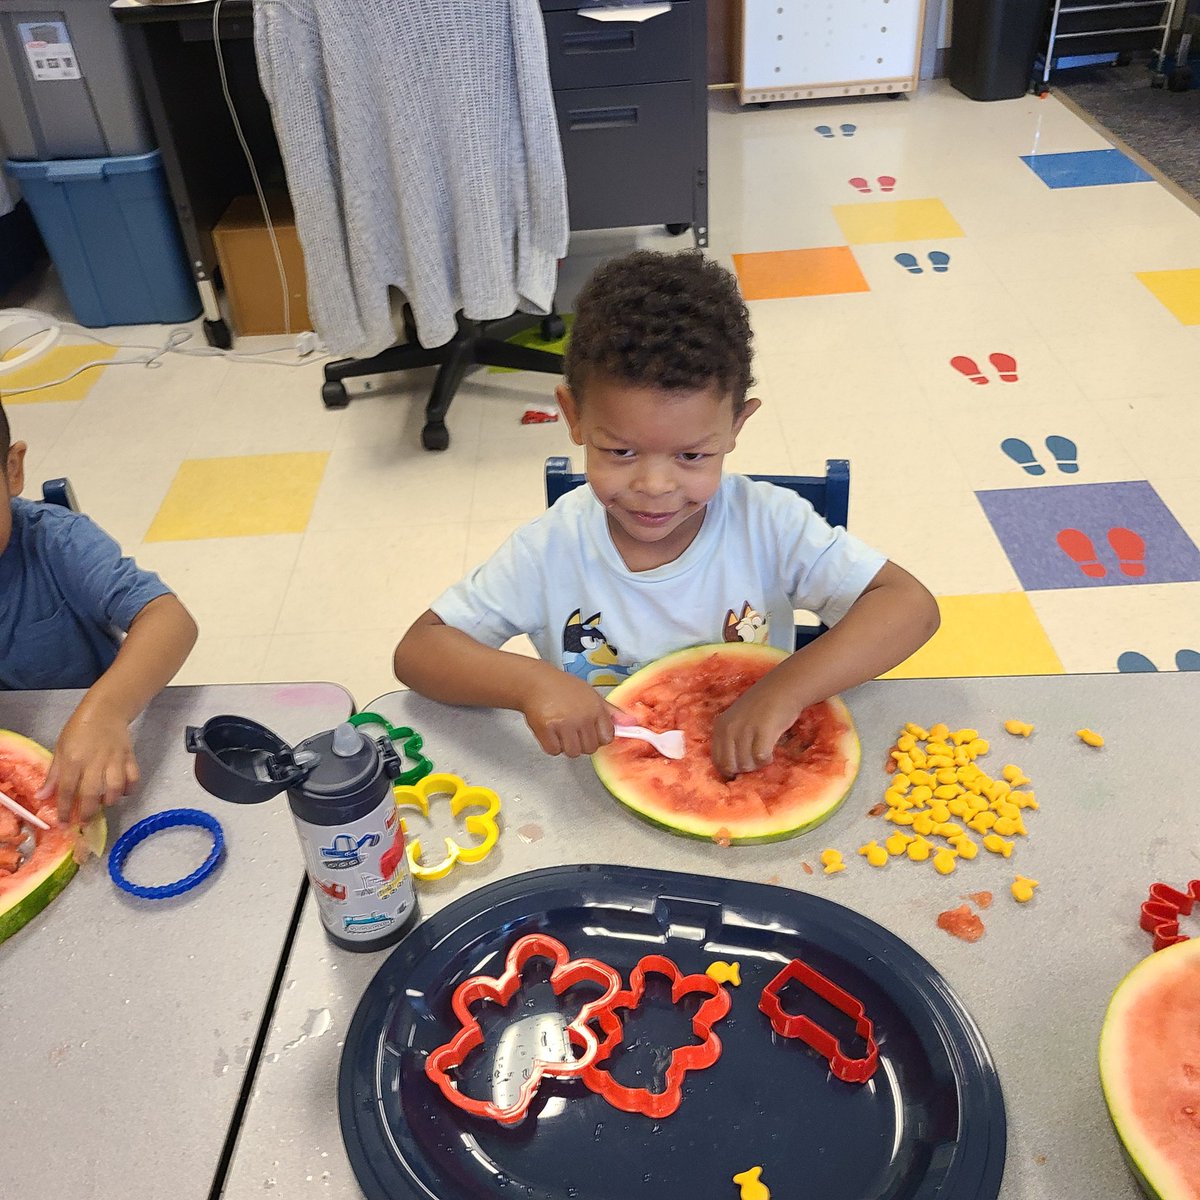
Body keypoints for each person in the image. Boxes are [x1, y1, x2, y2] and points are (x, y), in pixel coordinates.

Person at [393, 250, 939, 777]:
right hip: (591, 787)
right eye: (620, 452)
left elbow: (910, 606)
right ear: (574, 418)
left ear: (736, 428)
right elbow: (419, 651)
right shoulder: (548, 549)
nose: (655, 487)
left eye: (693, 456)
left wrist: (785, 689)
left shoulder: (770, 525)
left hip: (751, 766)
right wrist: (531, 684)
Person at [0, 399, 198, 821]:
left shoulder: (56, 542)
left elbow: (169, 620)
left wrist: (105, 713)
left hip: (96, 761)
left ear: (12, 470)